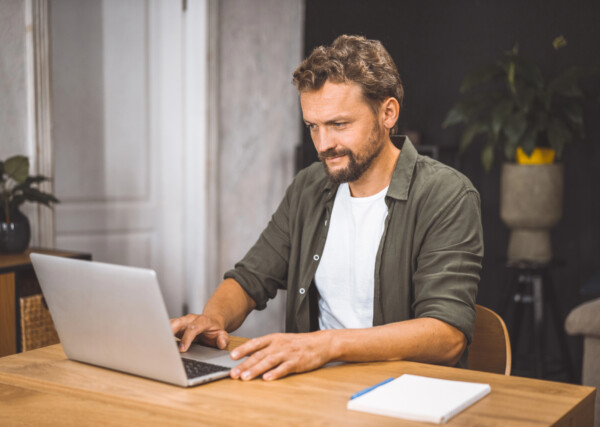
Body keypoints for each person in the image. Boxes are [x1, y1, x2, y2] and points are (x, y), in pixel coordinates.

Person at [170, 34, 483, 382]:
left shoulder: (446, 195)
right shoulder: (310, 186)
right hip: (316, 389)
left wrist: (327, 345)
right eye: (313, 127)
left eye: (339, 124)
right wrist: (213, 318)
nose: (324, 145)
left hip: (406, 395)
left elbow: (447, 335)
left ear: (388, 113)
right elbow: (250, 279)